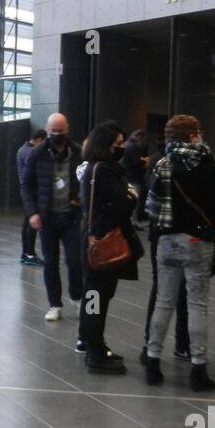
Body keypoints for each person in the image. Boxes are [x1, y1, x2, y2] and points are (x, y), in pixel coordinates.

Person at [142, 115, 215, 391]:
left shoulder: (160, 163)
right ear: (191, 135)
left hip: (165, 240)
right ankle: (198, 368)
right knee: (197, 304)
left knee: (164, 302)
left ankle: (153, 361)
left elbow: (148, 207)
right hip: (197, 240)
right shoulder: (205, 163)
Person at [79, 121, 141, 374]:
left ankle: (94, 345)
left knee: (94, 298)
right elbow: (124, 201)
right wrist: (132, 194)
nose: (122, 148)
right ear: (106, 146)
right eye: (117, 144)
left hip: (95, 240)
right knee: (96, 299)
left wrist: (128, 194)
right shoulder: (104, 171)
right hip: (102, 244)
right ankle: (95, 352)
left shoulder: (96, 168)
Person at [21, 113, 83, 322]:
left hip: (71, 216)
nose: (57, 135)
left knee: (75, 261)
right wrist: (32, 213)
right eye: (53, 132)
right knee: (51, 262)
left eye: (60, 131)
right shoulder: (37, 153)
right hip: (47, 218)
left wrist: (81, 198)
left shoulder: (77, 152)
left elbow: (87, 179)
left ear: (67, 129)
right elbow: (26, 185)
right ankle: (55, 304)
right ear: (47, 131)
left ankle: (78, 297)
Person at [16, 128, 47, 266]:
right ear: (39, 140)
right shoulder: (30, 152)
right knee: (32, 224)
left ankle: (26, 253)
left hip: (26, 191)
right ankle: (29, 254)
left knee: (27, 223)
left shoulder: (22, 149)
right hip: (32, 192)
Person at [121, 129, 148, 223]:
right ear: (138, 136)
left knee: (128, 200)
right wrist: (145, 160)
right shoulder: (133, 146)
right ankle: (133, 222)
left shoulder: (125, 144)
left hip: (125, 176)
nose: (141, 140)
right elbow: (136, 162)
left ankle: (128, 221)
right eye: (141, 138)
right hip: (134, 177)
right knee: (134, 201)